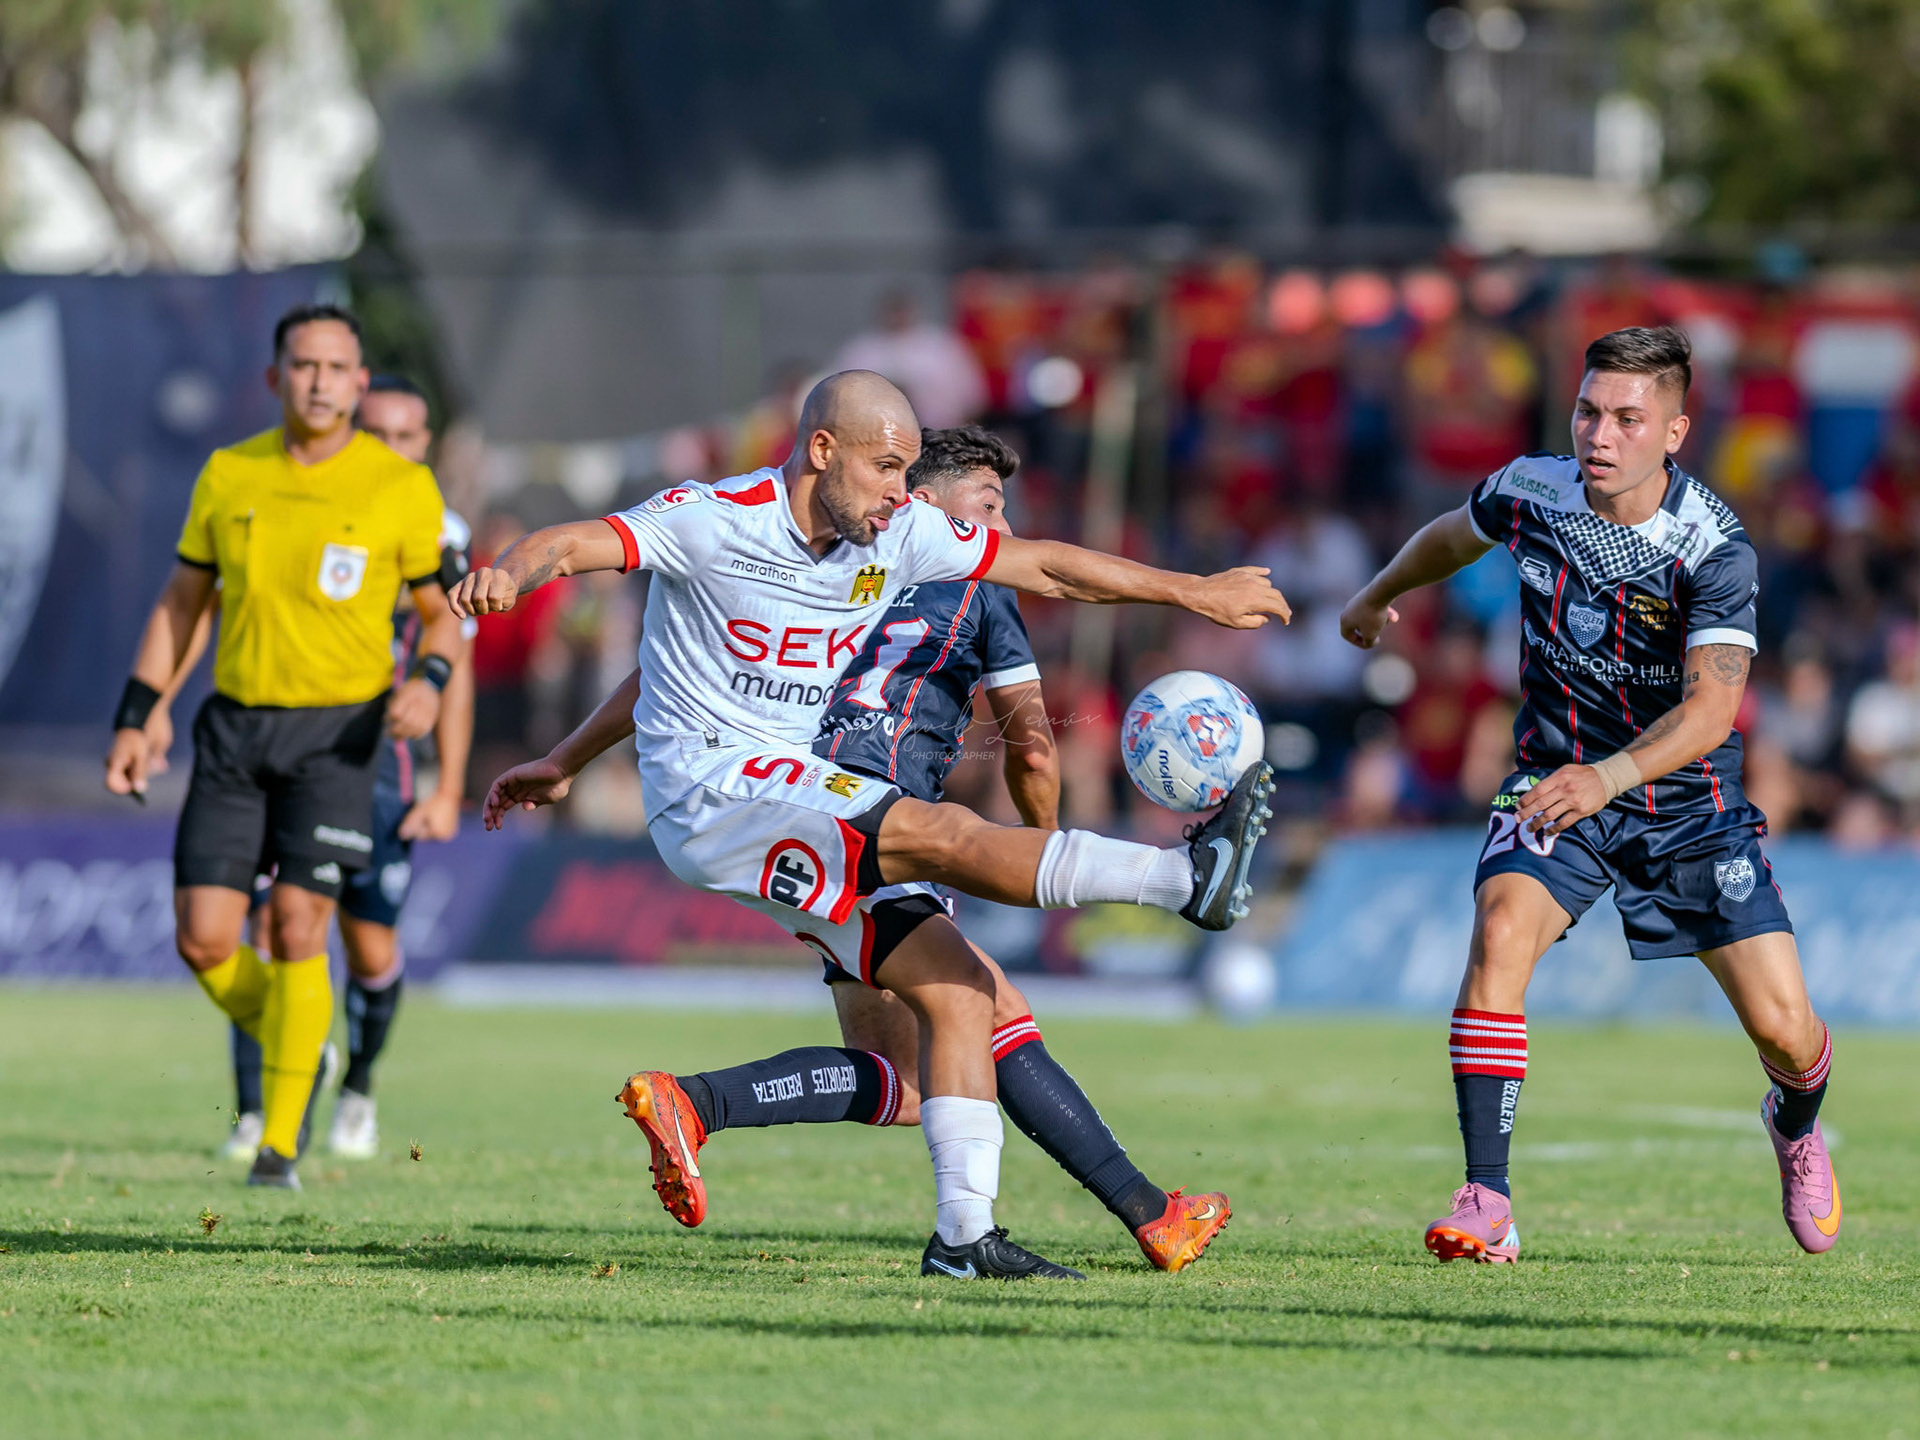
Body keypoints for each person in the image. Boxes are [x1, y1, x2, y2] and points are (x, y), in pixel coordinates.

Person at [451, 371, 1284, 1279]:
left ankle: (964, 1239)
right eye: (886, 467)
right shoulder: (712, 516)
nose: (902, 489)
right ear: (820, 451)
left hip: (790, 791)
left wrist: (1195, 592)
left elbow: (1046, 565)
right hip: (715, 796)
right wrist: (511, 573)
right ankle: (1184, 880)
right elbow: (575, 543)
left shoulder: (901, 534)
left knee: (960, 990)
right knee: (943, 835)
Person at [1338, 326, 1840, 1262]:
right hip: (1553, 781)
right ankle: (1487, 1198)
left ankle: (1795, 1120)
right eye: (1587, 411)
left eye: (1626, 418)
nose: (1597, 435)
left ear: (1676, 432)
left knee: (1786, 1029)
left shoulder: (1714, 548)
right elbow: (1453, 536)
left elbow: (1711, 713)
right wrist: (1376, 595)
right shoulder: (1534, 488)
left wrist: (1605, 774)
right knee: (1499, 933)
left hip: (1685, 801)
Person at [105, 304, 461, 1191]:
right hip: (235, 729)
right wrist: (138, 711)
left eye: (337, 367)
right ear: (275, 378)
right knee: (204, 940)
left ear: (358, 380)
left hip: (339, 738)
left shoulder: (398, 485)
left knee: (301, 926)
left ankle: (279, 1149)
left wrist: (429, 680)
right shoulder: (230, 474)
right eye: (303, 365)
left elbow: (441, 616)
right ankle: (304, 1039)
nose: (319, 381)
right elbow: (184, 603)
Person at [172, 376, 477, 1160]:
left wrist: (447, 786)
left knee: (369, 947)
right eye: (376, 429)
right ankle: (259, 1113)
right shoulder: (300, 494)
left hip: (383, 773)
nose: (389, 445)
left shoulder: (439, 532)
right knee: (273, 927)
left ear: (427, 446)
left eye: (407, 435)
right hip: (292, 749)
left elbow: (455, 661)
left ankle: (358, 1087)